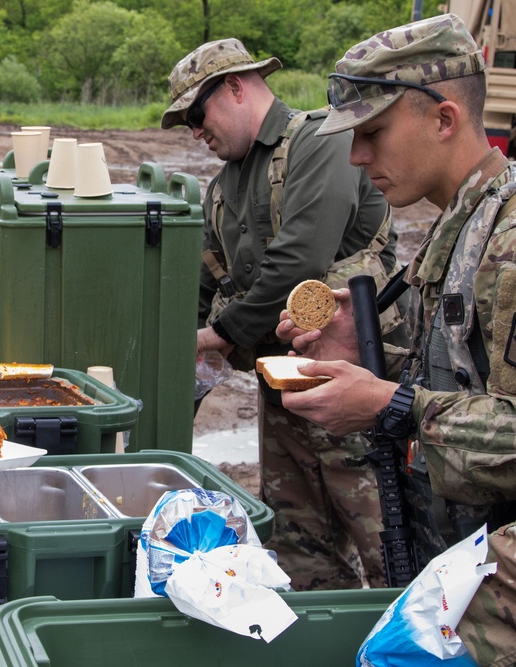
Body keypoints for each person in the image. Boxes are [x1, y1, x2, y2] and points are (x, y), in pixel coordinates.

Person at [276, 13, 516, 664]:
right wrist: (368, 359)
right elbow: (467, 380)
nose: (356, 157)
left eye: (372, 133)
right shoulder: (456, 228)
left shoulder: (508, 241)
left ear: (444, 119)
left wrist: (392, 404)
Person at [161, 39, 404, 590]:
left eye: (196, 116)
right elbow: (206, 280)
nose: (195, 133)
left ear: (236, 87)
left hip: (354, 381)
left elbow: (299, 261)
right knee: (298, 545)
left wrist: (219, 334)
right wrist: (179, 355)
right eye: (186, 126)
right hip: (283, 389)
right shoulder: (223, 187)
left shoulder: (320, 142)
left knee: (386, 541)